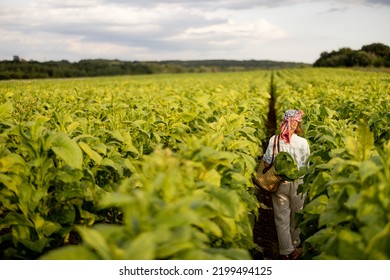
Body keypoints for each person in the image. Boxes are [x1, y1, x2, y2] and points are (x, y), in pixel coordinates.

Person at [262, 109, 310, 260]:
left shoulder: (274, 140)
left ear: (283, 122)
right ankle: (295, 248)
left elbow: (267, 161)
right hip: (298, 184)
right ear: (296, 124)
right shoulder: (303, 142)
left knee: (281, 218)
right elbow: (307, 164)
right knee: (297, 216)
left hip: (279, 183)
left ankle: (285, 251)